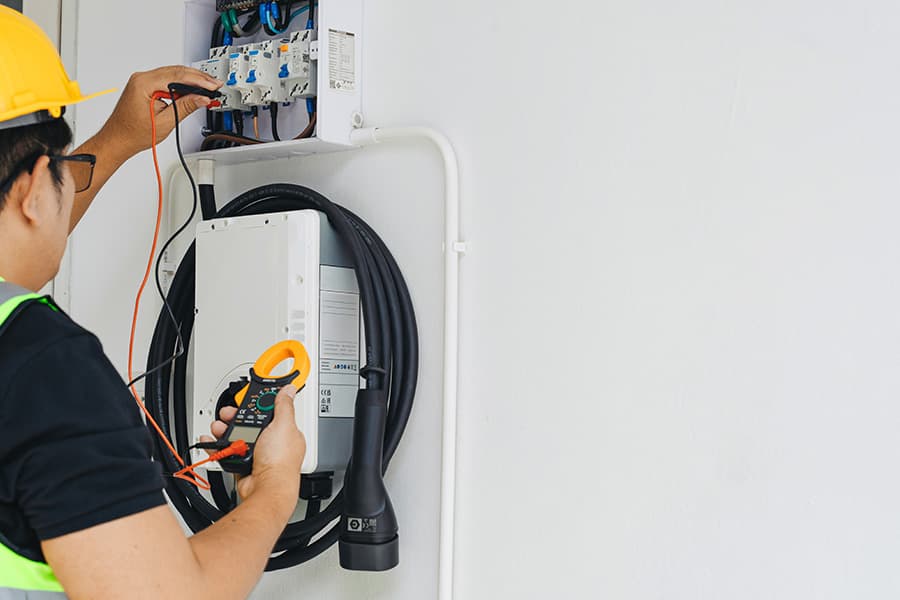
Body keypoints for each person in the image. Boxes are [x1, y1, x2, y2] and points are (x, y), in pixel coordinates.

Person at [0, 7, 306, 599]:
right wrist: (272, 487)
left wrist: (116, 142)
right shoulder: (44, 369)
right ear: (36, 187)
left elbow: (18, 243)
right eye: (61, 170)